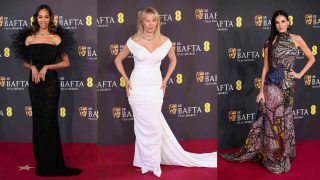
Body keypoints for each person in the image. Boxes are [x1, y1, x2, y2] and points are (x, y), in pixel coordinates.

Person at [114, 7, 217, 178]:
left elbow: (173, 60)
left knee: (154, 127)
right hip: (137, 88)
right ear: (142, 22)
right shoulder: (133, 41)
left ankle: (153, 164)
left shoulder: (165, 41)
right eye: (147, 20)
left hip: (155, 87)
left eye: (154, 20)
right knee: (140, 127)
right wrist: (126, 79)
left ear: (157, 22)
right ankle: (144, 162)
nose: (151, 24)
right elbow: (118, 59)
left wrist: (165, 80)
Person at [221, 10, 315, 174]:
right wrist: (261, 91)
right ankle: (273, 158)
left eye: (283, 21)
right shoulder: (269, 42)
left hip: (288, 86)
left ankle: (283, 154)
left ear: (288, 22)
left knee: (285, 119)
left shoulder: (297, 39)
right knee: (273, 121)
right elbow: (265, 68)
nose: (280, 25)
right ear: (274, 24)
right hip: (272, 86)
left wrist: (300, 74)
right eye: (277, 22)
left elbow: (312, 58)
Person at [12, 5, 81, 176]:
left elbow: (67, 63)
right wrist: (33, 67)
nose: (43, 20)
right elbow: (24, 62)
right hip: (35, 83)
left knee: (49, 121)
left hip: (50, 84)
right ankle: (42, 164)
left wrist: (47, 67)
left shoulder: (56, 38)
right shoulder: (29, 39)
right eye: (40, 17)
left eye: (46, 17)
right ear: (36, 18)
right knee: (38, 121)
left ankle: (55, 164)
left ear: (51, 19)